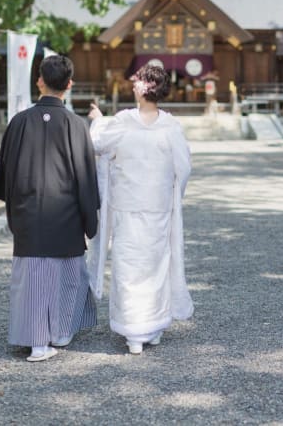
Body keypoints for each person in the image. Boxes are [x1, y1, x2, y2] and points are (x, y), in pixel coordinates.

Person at [0, 55, 100, 362]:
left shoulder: (19, 122)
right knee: (67, 273)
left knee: (32, 277)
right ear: (69, 85)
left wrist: (16, 206)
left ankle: (35, 338)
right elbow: (86, 177)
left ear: (39, 81)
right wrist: (89, 216)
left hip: (28, 211)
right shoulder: (76, 125)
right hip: (65, 213)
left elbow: (6, 173)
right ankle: (59, 333)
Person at [87, 62, 193, 355]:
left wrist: (97, 119)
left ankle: (135, 331)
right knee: (155, 265)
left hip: (127, 206)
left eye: (137, 81)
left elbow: (98, 143)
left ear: (146, 87)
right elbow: (183, 169)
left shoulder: (123, 122)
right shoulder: (170, 126)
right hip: (157, 207)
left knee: (128, 266)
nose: (132, 85)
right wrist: (173, 196)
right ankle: (153, 326)